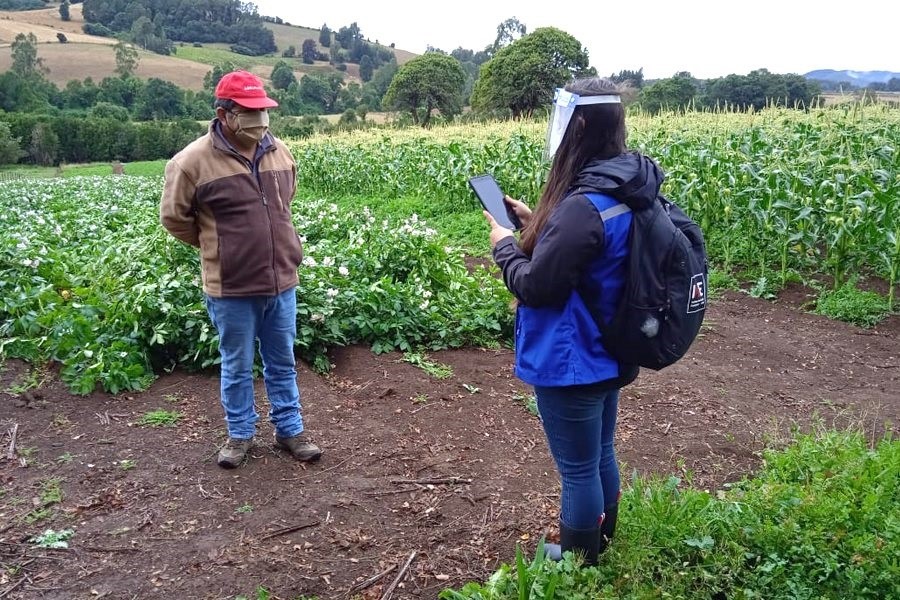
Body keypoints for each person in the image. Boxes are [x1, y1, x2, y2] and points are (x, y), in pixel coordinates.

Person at [483, 77, 662, 565]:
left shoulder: (582, 206)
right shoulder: (627, 187)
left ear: (577, 125)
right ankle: (602, 543)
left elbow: (537, 286)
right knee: (601, 452)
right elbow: (586, 253)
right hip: (612, 346)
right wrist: (533, 221)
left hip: (571, 355)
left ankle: (580, 563)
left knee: (578, 469)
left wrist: (503, 245)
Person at [160, 70, 321, 469]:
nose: (260, 120)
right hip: (230, 287)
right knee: (236, 365)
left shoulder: (279, 151)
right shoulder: (191, 162)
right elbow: (174, 218)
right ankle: (240, 435)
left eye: (263, 110)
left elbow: (284, 203)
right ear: (224, 113)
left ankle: (290, 430)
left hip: (281, 280)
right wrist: (217, 246)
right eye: (249, 112)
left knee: (282, 361)